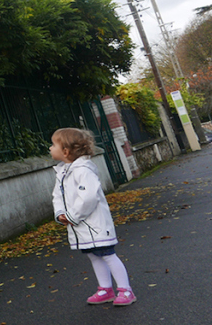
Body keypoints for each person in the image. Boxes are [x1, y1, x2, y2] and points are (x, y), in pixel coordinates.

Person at [50, 128, 137, 306]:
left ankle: (125, 290)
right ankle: (105, 289)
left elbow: (89, 197)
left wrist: (72, 216)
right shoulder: (63, 172)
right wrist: (60, 214)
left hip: (95, 224)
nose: (50, 148)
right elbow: (57, 196)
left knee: (107, 254)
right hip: (81, 226)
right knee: (94, 256)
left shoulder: (83, 170)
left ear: (65, 151)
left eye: (53, 145)